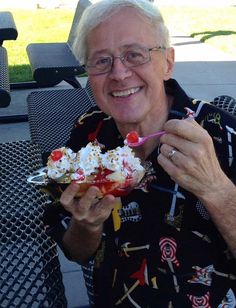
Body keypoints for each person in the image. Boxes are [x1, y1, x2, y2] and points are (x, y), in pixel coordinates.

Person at [43, 0, 236, 306]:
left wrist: (217, 188)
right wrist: (86, 225)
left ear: (167, 62)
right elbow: (77, 252)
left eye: (135, 54)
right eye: (102, 60)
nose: (119, 73)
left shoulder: (221, 135)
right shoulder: (88, 133)